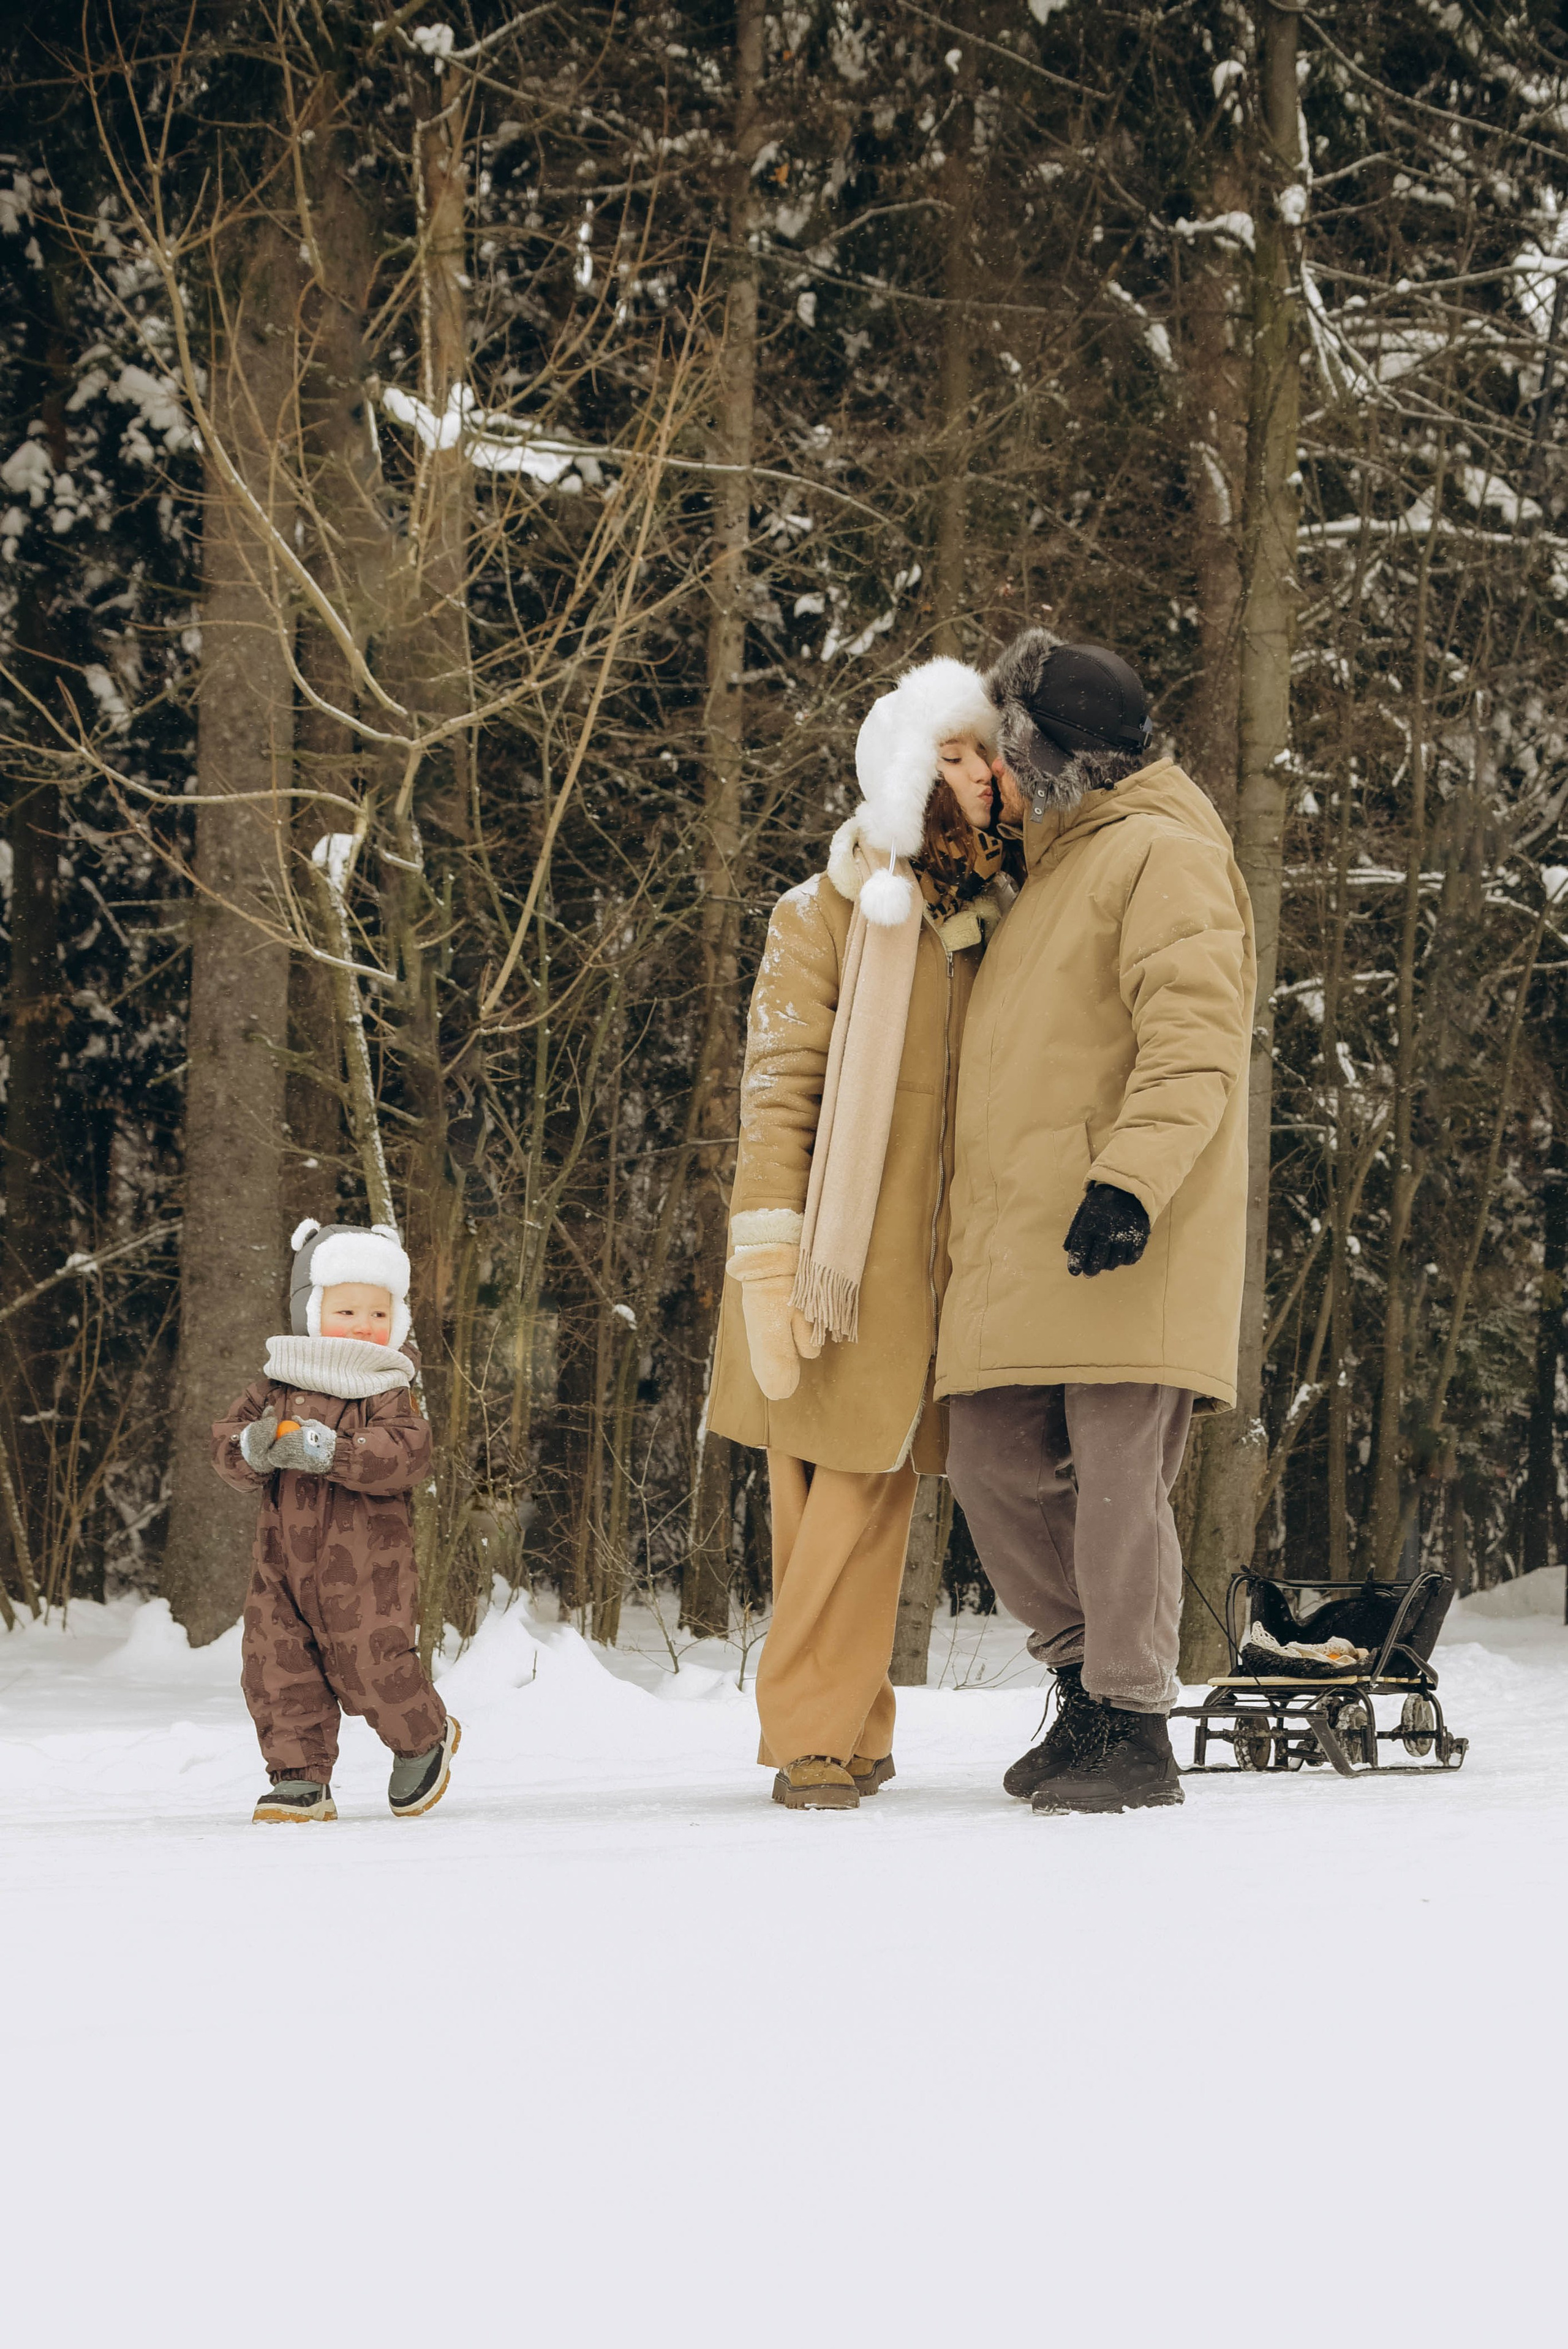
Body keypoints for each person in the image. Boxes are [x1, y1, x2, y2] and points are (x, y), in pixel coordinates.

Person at [936, 632, 1255, 1815]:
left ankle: (1132, 1716)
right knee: (990, 1460)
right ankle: (1082, 1683)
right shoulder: (1046, 870)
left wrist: (1128, 1181)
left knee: (1121, 1478)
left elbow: (1194, 1038)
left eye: (1013, 754)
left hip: (1129, 1222)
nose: (1001, 781)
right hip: (1021, 1237)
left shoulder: (1162, 855)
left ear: (1059, 756)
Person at [707, 656, 1019, 1809]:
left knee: (874, 1485)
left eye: (986, 752)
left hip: (952, 1247)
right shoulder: (824, 908)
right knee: (833, 1484)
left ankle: (851, 1718)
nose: (981, 774)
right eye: (952, 756)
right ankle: (813, 1735)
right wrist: (774, 1251)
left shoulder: (1000, 914)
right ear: (902, 774)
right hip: (839, 1247)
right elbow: (780, 1083)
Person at [212, 1218, 460, 1823]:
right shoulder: (276, 1382)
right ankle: (299, 1778)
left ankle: (423, 1737)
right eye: (346, 1311)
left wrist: (337, 1452)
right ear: (312, 1309)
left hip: (365, 1563)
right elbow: (225, 1444)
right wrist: (252, 1448)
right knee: (276, 1666)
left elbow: (409, 1452)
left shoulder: (385, 1386)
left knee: (371, 1663)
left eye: (378, 1314)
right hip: (281, 1565)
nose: (363, 1326)